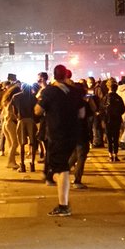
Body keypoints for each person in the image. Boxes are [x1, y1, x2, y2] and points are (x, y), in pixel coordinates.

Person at [36, 65, 84, 216]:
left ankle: (63, 205)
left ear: (54, 76)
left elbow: (37, 110)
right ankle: (63, 195)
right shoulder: (75, 92)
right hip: (73, 134)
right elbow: (82, 113)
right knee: (60, 167)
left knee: (61, 169)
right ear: (66, 75)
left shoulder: (49, 91)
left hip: (57, 134)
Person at [102, 79, 125, 162]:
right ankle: (116, 155)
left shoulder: (106, 97)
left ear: (109, 88)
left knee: (109, 138)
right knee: (116, 138)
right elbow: (123, 109)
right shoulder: (118, 98)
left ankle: (110, 155)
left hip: (108, 120)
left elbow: (102, 108)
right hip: (117, 120)